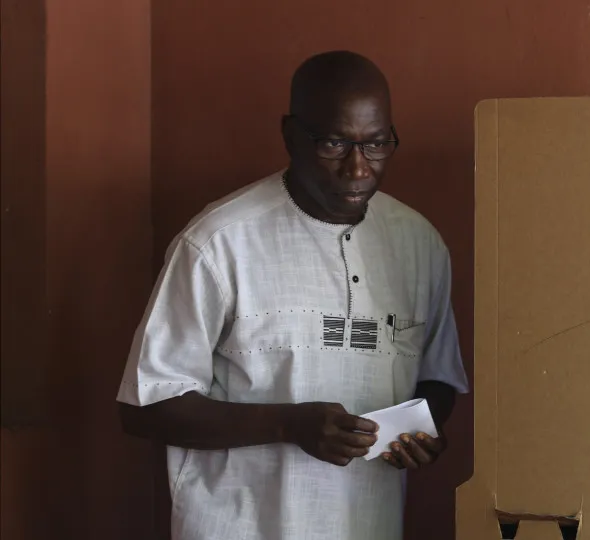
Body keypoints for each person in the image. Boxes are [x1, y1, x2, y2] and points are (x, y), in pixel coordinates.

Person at [116, 50, 469, 540]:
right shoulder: (220, 242)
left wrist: (419, 431)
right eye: (333, 143)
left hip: (371, 524)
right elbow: (145, 405)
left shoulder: (419, 244)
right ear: (289, 135)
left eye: (376, 144)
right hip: (237, 527)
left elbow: (438, 378)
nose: (358, 168)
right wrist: (288, 426)